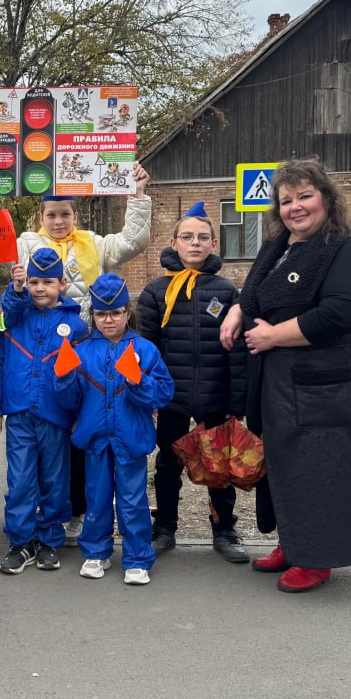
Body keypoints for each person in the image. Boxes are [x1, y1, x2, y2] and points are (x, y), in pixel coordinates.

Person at [218, 158, 351, 594]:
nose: (295, 207)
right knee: (286, 466)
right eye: (286, 200)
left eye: (305, 196)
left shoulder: (347, 250)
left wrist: (274, 337)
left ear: (327, 199)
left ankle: (318, 557)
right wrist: (238, 310)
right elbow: (257, 295)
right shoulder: (279, 247)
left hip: (325, 387)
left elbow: (340, 313)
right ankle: (295, 544)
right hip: (280, 384)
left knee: (321, 468)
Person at [0, 158, 153, 546]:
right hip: (36, 352)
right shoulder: (25, 244)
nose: (59, 221)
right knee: (39, 453)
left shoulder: (95, 243)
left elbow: (134, 240)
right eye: (52, 214)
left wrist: (138, 195)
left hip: (85, 349)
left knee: (76, 438)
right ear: (42, 215)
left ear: (75, 214)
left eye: (65, 214)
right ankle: (32, 525)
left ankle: (71, 515)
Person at [137, 202, 249, 563]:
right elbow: (146, 348)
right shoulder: (156, 291)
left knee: (219, 466)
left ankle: (224, 529)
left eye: (203, 238)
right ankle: (165, 526)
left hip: (215, 396)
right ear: (173, 243)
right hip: (172, 397)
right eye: (187, 237)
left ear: (213, 244)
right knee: (168, 465)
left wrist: (238, 399)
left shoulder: (227, 291)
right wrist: (148, 393)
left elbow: (237, 351)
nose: (195, 244)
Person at [54, 274, 174, 585]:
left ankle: (136, 557)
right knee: (97, 496)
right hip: (95, 438)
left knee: (132, 499)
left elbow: (164, 393)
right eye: (101, 314)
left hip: (130, 438)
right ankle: (96, 552)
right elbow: (70, 401)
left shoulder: (145, 349)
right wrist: (64, 377)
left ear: (128, 312)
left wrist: (138, 381)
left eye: (116, 313)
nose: (109, 320)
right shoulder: (80, 350)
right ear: (92, 315)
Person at [0, 248, 88, 574]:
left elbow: (83, 376)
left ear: (62, 283)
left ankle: (49, 540)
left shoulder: (74, 325)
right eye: (33, 281)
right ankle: (20, 541)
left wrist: (78, 416)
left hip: (56, 416)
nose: (40, 288)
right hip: (18, 413)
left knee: (55, 480)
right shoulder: (15, 318)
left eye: (47, 282)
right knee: (20, 481)